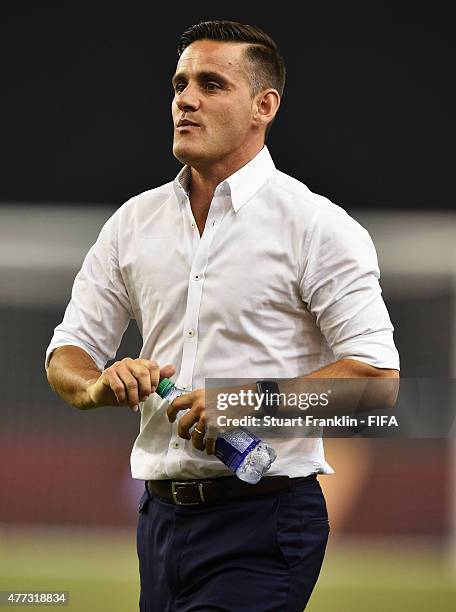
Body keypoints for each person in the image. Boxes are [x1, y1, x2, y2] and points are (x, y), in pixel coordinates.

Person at [45, 20, 400, 612]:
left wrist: (241, 402)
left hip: (266, 518)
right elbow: (68, 352)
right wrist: (96, 386)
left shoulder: (318, 227)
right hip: (159, 519)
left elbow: (377, 386)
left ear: (264, 106)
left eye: (211, 84)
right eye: (180, 83)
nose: (186, 98)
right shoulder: (132, 223)